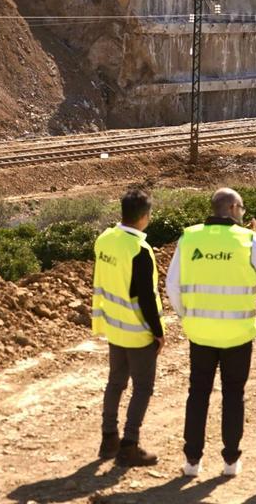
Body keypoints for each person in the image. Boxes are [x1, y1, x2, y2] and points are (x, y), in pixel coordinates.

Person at [166, 188, 256, 479]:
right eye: (242, 209)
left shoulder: (190, 237)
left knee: (198, 394)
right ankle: (231, 462)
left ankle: (192, 462)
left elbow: (172, 286)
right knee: (233, 395)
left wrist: (188, 316)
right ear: (233, 207)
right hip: (238, 335)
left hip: (200, 334)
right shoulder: (247, 239)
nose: (243, 215)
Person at [93, 189, 164, 466]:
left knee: (115, 383)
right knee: (142, 388)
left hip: (113, 326)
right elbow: (146, 297)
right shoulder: (140, 250)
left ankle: (108, 438)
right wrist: (158, 332)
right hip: (137, 331)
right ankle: (129, 445)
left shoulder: (105, 239)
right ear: (145, 217)